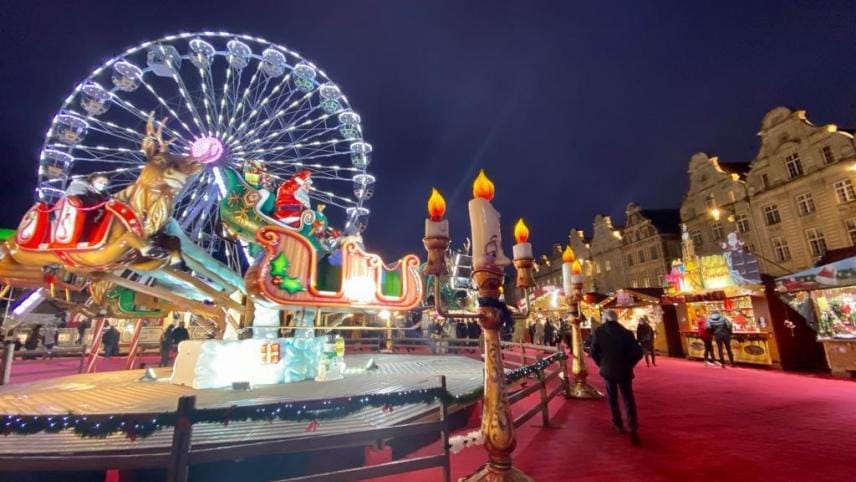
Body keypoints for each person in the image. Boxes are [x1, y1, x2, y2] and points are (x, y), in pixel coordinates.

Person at [590, 309, 644, 446]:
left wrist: (601, 363)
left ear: (605, 319)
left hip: (608, 369)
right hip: (624, 370)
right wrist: (629, 364)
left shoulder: (600, 332)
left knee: (612, 397)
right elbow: (638, 352)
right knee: (628, 398)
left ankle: (618, 423)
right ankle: (632, 426)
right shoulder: (626, 332)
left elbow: (593, 351)